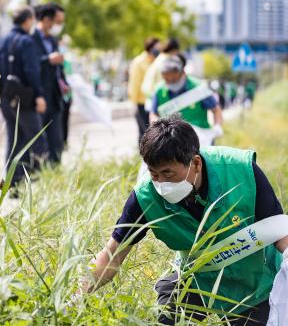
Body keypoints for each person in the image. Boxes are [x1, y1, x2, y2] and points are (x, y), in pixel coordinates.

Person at [82, 116, 288, 325]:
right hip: (198, 280)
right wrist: (74, 300)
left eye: (168, 174)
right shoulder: (145, 197)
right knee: (168, 315)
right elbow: (113, 255)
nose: (161, 184)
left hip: (255, 286)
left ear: (196, 163)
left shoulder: (241, 171)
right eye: (154, 175)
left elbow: (279, 231)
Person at [0, 6, 48, 183]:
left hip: (5, 98)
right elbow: (32, 71)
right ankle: (41, 181)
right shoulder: (26, 41)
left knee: (15, 141)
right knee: (38, 141)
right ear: (27, 20)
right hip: (24, 100)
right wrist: (39, 95)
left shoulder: (2, 41)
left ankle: (13, 183)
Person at [149, 54, 223, 145]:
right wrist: (157, 128)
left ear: (183, 72)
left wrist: (217, 126)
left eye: (174, 77)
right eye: (166, 78)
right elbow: (153, 113)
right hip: (172, 138)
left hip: (200, 137)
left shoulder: (198, 87)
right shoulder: (159, 90)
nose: (171, 80)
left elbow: (216, 109)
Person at [29, 2, 68, 164]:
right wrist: (47, 60)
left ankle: (55, 173)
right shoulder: (31, 39)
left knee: (56, 141)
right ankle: (37, 173)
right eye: (55, 22)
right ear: (46, 19)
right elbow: (30, 64)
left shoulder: (52, 40)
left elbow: (58, 69)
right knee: (39, 142)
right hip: (39, 98)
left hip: (54, 97)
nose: (55, 26)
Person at [128, 37, 160, 140]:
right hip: (142, 103)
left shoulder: (157, 61)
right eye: (157, 47)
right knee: (144, 133)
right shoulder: (139, 62)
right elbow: (134, 84)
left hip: (155, 103)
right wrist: (134, 103)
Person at [141, 37, 180, 108]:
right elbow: (163, 83)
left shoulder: (160, 58)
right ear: (174, 50)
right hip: (155, 99)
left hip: (149, 97)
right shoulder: (166, 62)